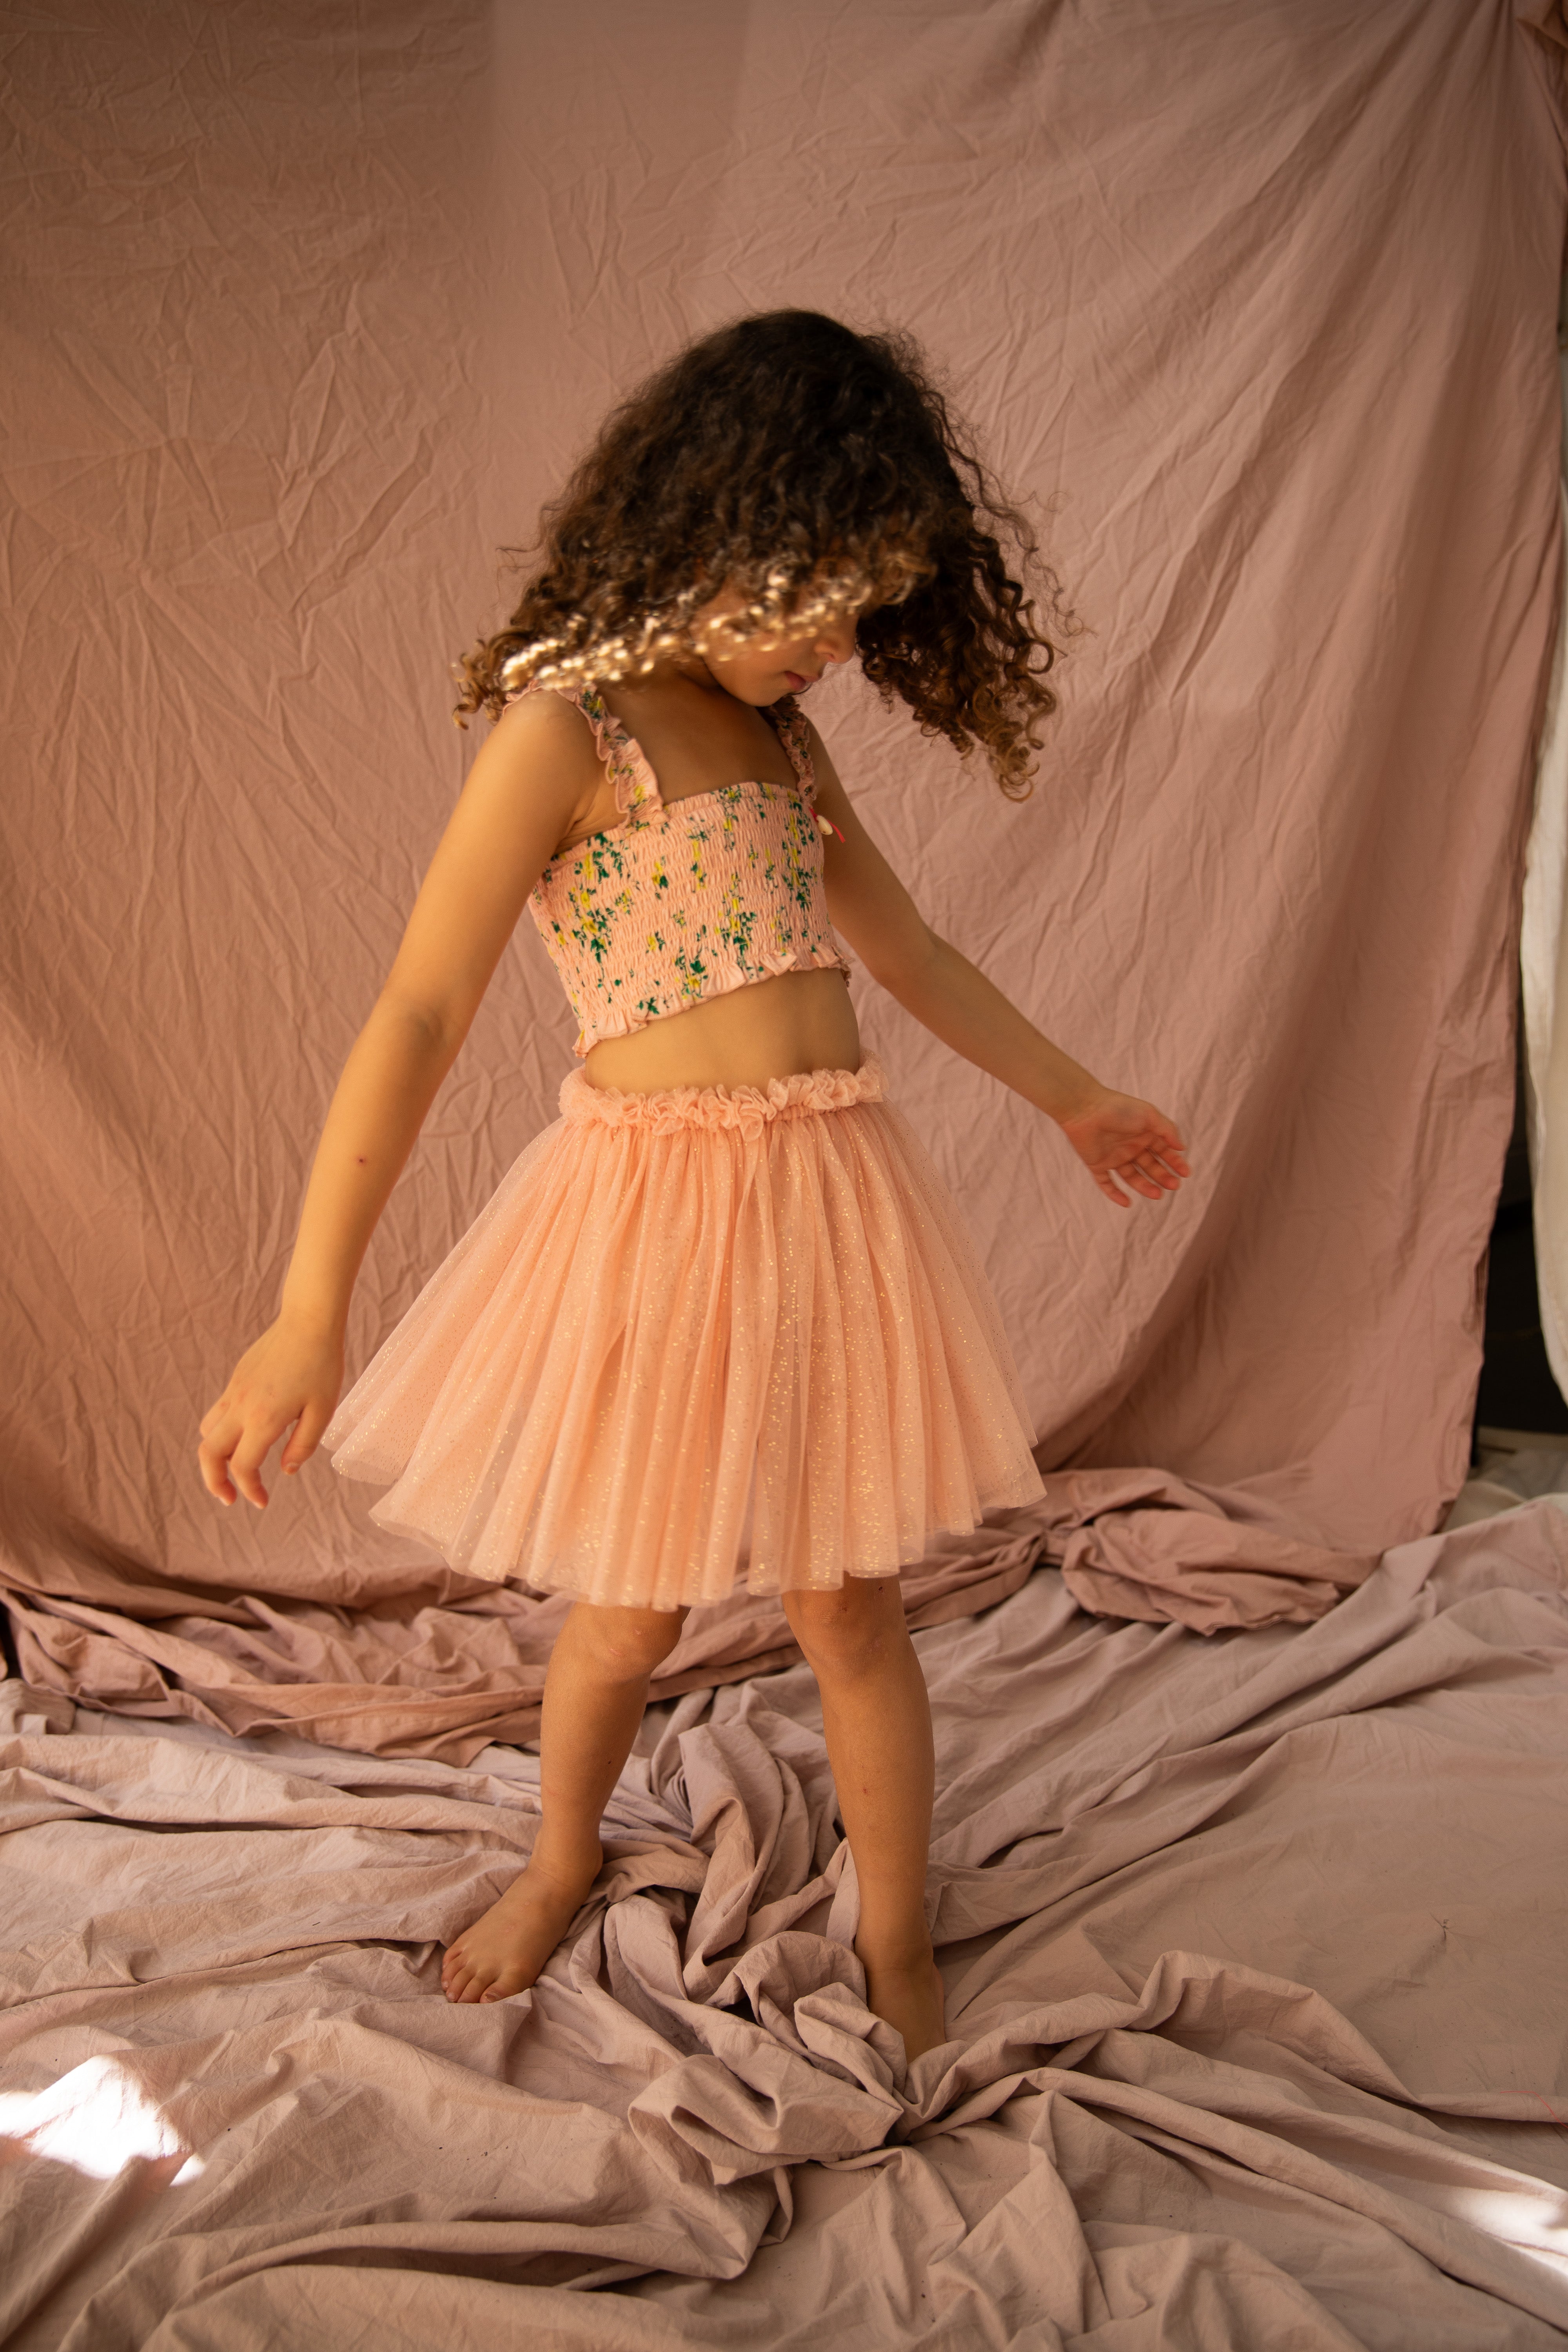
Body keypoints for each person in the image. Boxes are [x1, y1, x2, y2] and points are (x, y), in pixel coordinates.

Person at [198, 309, 1190, 2065]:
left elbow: (911, 951)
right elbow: (419, 1009)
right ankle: (558, 1852)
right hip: (655, 1214)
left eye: (864, 611)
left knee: (847, 1603)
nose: (832, 645)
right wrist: (305, 1307)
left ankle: (897, 1950)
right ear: (709, 528)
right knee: (631, 1601)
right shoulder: (571, 727)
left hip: (826, 1205)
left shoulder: (788, 749)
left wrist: (1075, 1096)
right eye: (811, 598)